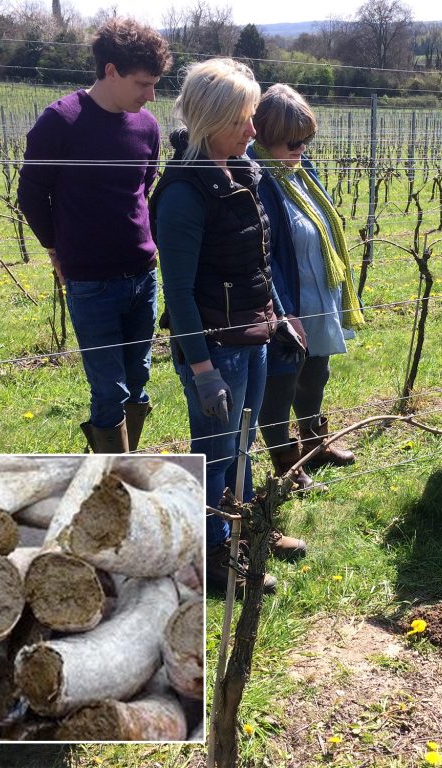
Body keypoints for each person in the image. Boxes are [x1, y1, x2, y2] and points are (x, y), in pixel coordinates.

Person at [151, 59, 307, 594]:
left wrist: (277, 316)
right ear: (210, 120)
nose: (253, 130)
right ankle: (213, 555)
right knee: (214, 455)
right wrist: (201, 369)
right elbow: (180, 292)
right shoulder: (182, 195)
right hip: (216, 348)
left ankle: (243, 534)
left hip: (253, 336)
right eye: (243, 119)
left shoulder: (241, 171)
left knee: (240, 447)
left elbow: (254, 261)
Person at [17, 18, 171, 453]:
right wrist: (55, 247)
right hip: (90, 281)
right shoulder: (61, 121)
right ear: (110, 71)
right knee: (110, 389)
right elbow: (31, 195)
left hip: (144, 274)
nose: (151, 95)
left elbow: (145, 187)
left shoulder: (147, 126)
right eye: (143, 84)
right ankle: (112, 484)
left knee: (139, 379)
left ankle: (123, 462)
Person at [247, 84, 364, 492]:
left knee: (317, 373)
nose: (301, 148)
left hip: (318, 294)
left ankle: (315, 441)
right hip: (287, 300)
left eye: (305, 140)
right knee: (281, 382)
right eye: (292, 141)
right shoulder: (257, 178)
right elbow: (264, 253)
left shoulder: (300, 170)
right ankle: (286, 462)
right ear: (263, 136)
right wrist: (281, 310)